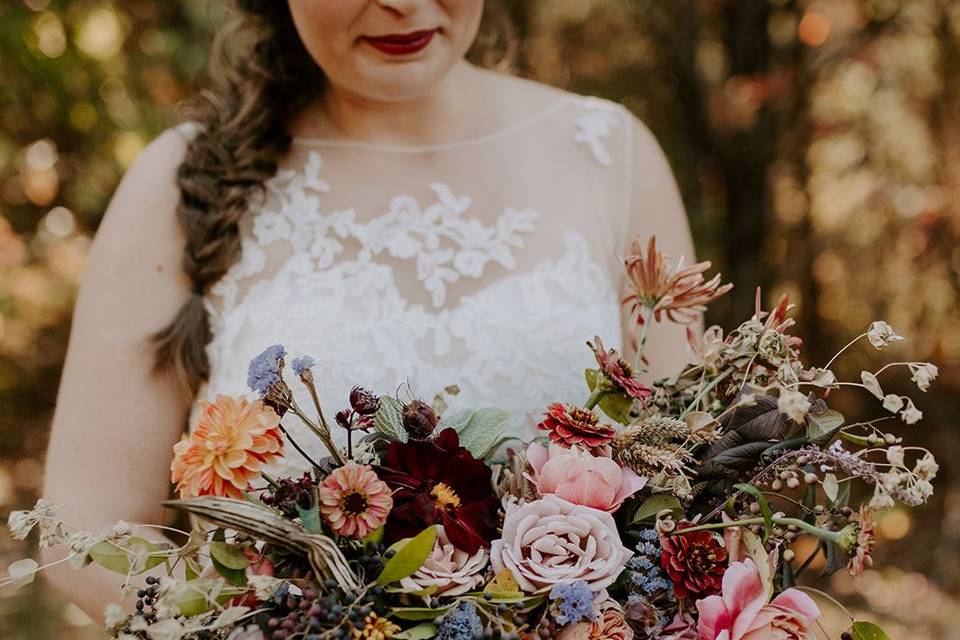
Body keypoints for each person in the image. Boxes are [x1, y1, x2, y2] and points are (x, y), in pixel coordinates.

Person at [41, 0, 696, 620]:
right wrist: (279, 626)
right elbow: (87, 534)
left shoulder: (609, 155)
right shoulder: (174, 184)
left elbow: (696, 486)